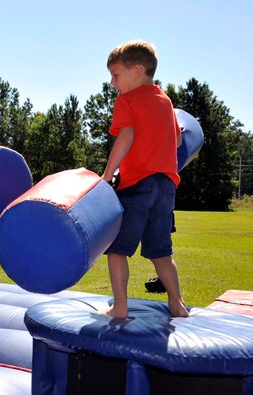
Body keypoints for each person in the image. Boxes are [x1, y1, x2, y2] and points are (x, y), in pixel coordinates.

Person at [100, 40, 189, 318]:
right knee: (161, 252)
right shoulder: (165, 101)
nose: (112, 82)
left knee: (117, 250)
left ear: (137, 71)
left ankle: (121, 307)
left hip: (137, 184)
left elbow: (125, 136)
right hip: (165, 187)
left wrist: (107, 174)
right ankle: (177, 303)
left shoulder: (127, 100)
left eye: (116, 75)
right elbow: (176, 142)